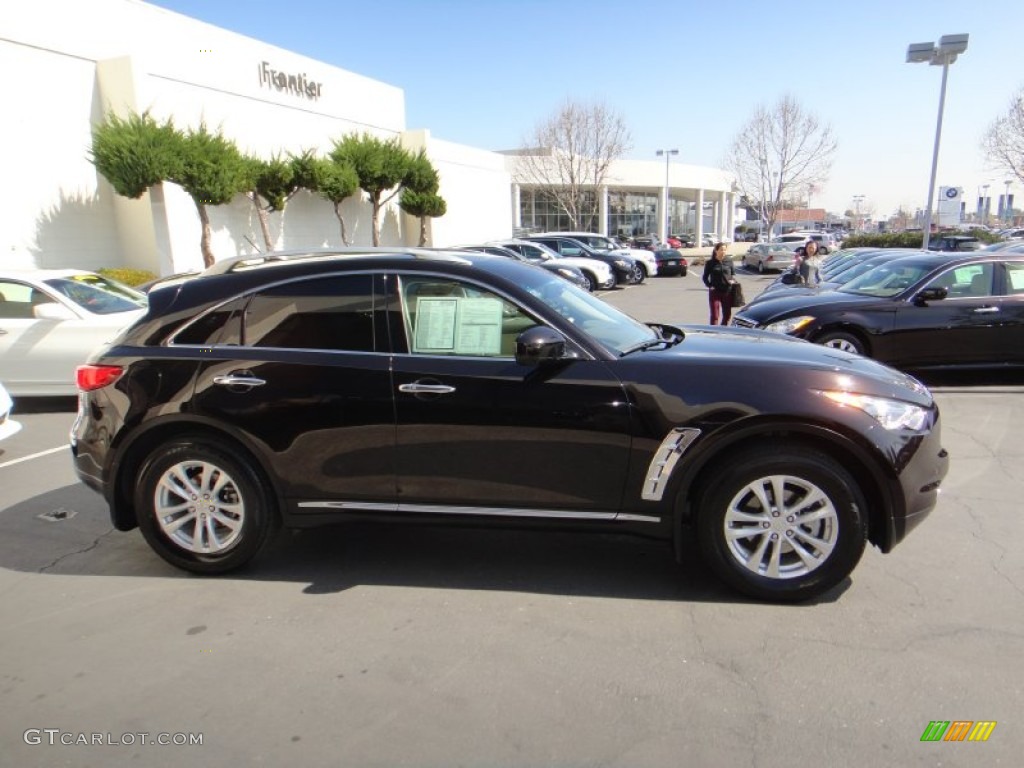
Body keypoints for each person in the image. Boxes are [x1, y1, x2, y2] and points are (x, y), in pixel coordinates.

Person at [701, 242, 735, 325]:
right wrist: (709, 286)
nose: (723, 251)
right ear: (716, 251)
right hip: (715, 291)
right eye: (721, 250)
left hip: (727, 291)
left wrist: (732, 281)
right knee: (715, 315)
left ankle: (723, 331)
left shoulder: (729, 261)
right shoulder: (710, 263)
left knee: (727, 314)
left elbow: (732, 274)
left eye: (724, 250)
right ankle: (713, 332)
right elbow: (705, 277)